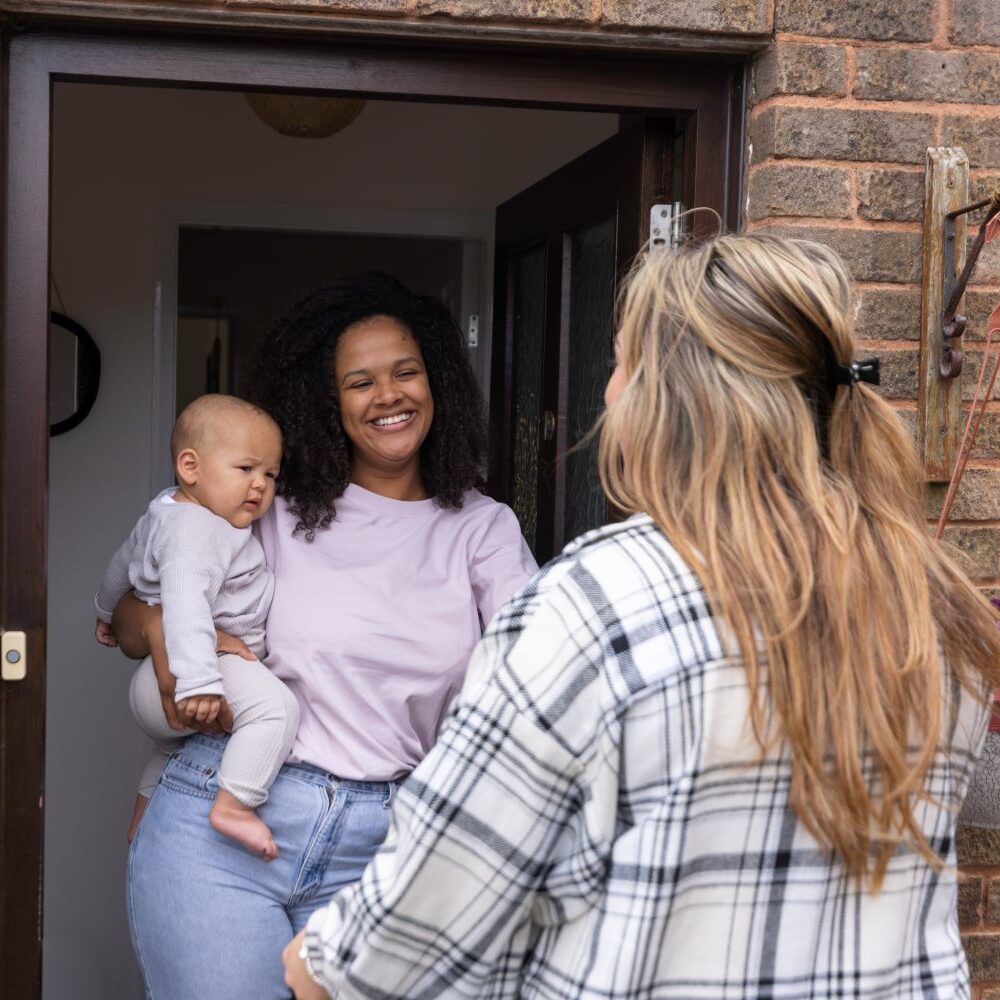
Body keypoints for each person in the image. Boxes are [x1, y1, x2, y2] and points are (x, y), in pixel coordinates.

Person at [283, 234, 1000, 1000]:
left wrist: (323, 962)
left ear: (672, 397)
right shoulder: (933, 601)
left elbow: (438, 899)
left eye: (620, 364)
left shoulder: (599, 604)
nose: (606, 393)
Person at [112, 273, 537, 1000]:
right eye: (360, 382)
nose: (389, 396)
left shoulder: (483, 529)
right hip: (224, 824)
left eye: (406, 372)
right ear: (326, 401)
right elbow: (130, 612)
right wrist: (164, 633)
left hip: (386, 849)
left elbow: (539, 679)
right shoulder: (272, 508)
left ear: (436, 381)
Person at [95, 393, 295, 858]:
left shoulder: (165, 511)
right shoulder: (198, 531)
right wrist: (199, 683)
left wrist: (104, 611)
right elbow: (185, 607)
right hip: (190, 671)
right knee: (276, 711)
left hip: (165, 677)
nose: (261, 485)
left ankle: (143, 814)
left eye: (270, 474)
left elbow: (121, 565)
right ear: (190, 467)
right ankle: (235, 806)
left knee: (173, 750)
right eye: (245, 469)